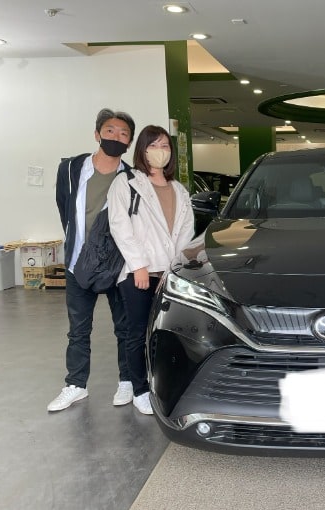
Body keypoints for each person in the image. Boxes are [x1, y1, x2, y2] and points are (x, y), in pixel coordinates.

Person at [49, 108, 136, 412]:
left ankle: (127, 381)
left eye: (124, 134)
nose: (116, 137)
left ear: (129, 143)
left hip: (117, 266)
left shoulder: (132, 177)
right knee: (78, 329)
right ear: (97, 134)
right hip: (77, 263)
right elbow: (64, 207)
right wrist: (78, 243)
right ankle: (76, 385)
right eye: (110, 131)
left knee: (124, 328)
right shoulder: (72, 168)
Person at [107, 125, 194, 415]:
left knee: (164, 333)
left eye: (166, 146)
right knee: (136, 332)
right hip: (138, 273)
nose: (161, 151)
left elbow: (185, 233)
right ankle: (139, 388)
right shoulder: (127, 183)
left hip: (167, 274)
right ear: (142, 150)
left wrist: (172, 271)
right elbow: (121, 226)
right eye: (154, 145)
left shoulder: (179, 189)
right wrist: (139, 267)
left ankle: (162, 384)